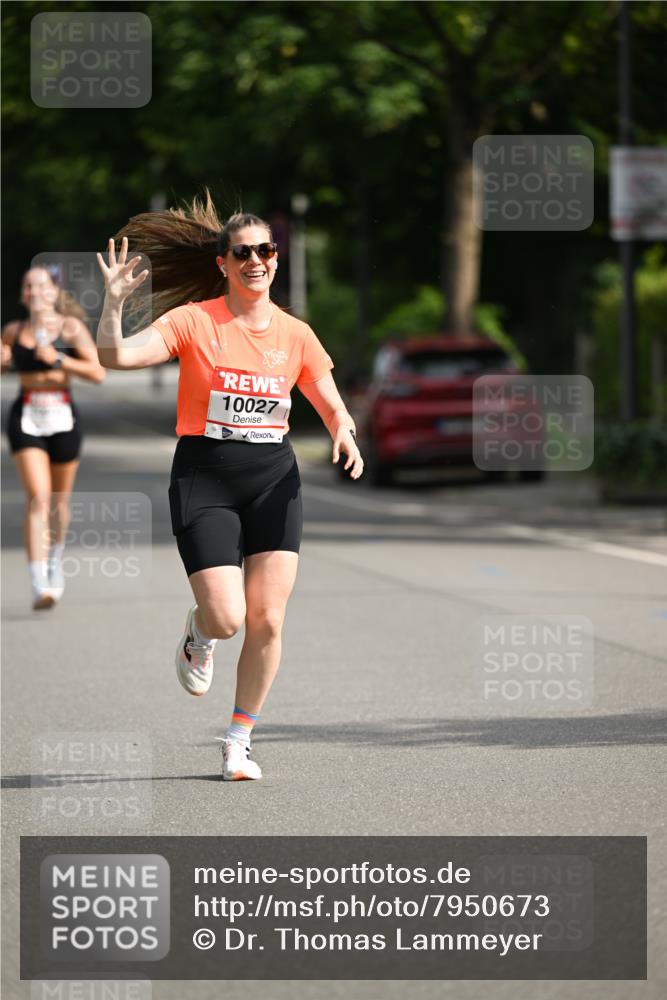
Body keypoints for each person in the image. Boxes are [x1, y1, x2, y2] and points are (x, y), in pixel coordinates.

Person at [95, 194, 363, 781]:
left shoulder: (296, 334)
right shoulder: (194, 321)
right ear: (223, 263)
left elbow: (329, 403)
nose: (255, 261)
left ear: (276, 257)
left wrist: (344, 430)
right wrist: (113, 306)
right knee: (227, 617)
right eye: (242, 253)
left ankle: (239, 739)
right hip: (205, 476)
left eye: (265, 250)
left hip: (274, 480)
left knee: (268, 619)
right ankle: (198, 633)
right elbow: (116, 356)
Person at [1, 266, 105, 609]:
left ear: (53, 291)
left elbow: (97, 372)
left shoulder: (70, 328)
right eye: (28, 285)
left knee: (59, 501)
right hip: (27, 416)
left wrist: (59, 358)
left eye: (40, 285)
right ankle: (38, 583)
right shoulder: (13, 332)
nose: (34, 291)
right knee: (39, 498)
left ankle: (53, 559)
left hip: (62, 415)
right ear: (23, 293)